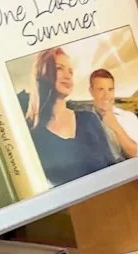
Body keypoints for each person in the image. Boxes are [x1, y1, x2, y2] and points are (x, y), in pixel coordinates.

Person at [26, 48, 127, 185]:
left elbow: (112, 168)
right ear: (42, 72)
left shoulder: (88, 119)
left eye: (71, 72)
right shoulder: (33, 135)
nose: (67, 76)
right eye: (59, 69)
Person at [85, 69, 138, 158]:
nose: (106, 96)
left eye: (110, 89)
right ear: (91, 91)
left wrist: (115, 126)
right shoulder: (83, 123)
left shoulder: (128, 118)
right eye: (101, 89)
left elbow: (137, 155)